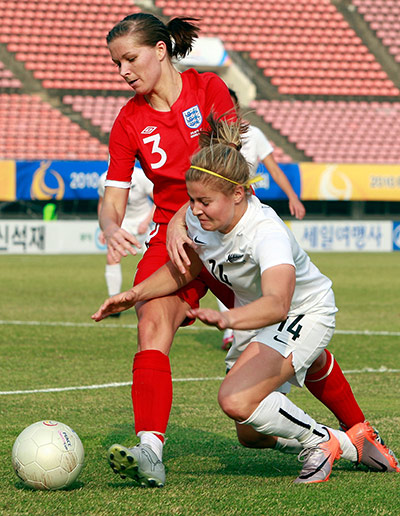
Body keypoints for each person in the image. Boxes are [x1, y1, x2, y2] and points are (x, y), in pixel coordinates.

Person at [92, 115, 399, 484]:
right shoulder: (198, 219)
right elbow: (187, 269)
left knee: (236, 400)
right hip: (264, 321)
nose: (195, 210)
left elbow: (278, 303)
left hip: (303, 311)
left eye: (204, 201)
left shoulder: (266, 232)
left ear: (238, 194)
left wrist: (229, 320)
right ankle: (353, 443)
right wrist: (134, 294)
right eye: (192, 201)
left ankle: (321, 442)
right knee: (252, 435)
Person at [97, 13, 237, 488]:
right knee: (151, 319)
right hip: (169, 241)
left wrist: (185, 215)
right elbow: (113, 192)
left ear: (160, 50)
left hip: (232, 232)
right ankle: (150, 450)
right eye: (116, 63)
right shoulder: (128, 119)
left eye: (130, 59)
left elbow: (228, 166)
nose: (123, 71)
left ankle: (355, 430)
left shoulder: (209, 90)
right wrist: (111, 225)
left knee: (255, 419)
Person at [219, 88, 306, 350]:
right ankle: (231, 330)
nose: (228, 113)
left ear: (237, 107)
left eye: (231, 106)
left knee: (253, 268)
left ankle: (264, 318)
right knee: (225, 267)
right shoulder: (211, 137)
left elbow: (274, 169)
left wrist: (293, 196)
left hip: (247, 206)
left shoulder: (254, 135)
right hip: (220, 211)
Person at [97, 164, 154, 312]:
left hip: (145, 222)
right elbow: (103, 205)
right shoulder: (104, 179)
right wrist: (105, 229)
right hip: (123, 223)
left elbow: (158, 200)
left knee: (150, 260)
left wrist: (146, 222)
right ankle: (113, 300)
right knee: (112, 256)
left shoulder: (141, 176)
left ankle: (149, 298)